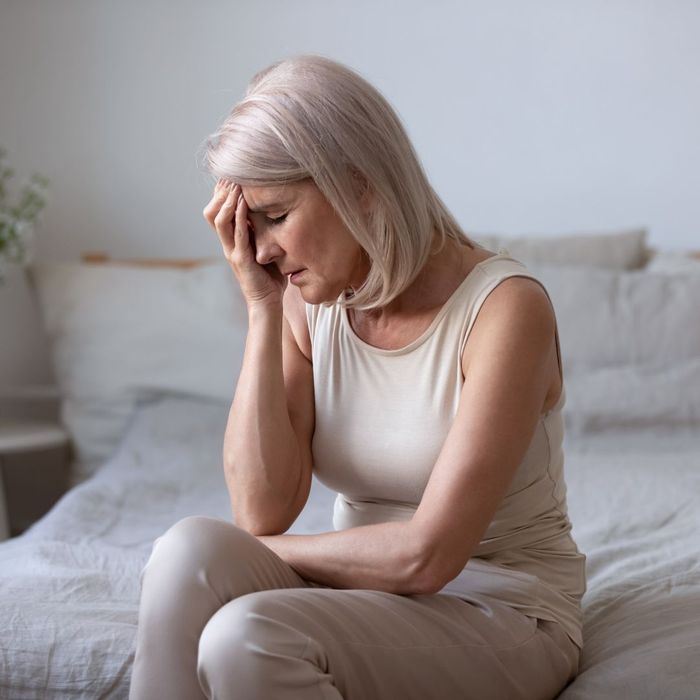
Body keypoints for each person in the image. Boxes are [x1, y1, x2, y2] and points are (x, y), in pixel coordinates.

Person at [129, 54, 586, 700]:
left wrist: (279, 555)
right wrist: (262, 309)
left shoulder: (505, 309)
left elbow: (428, 555)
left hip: (505, 610)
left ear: (360, 184)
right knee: (186, 552)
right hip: (368, 597)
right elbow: (261, 508)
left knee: (246, 634)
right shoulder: (304, 302)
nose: (261, 251)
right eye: (248, 225)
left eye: (277, 216)